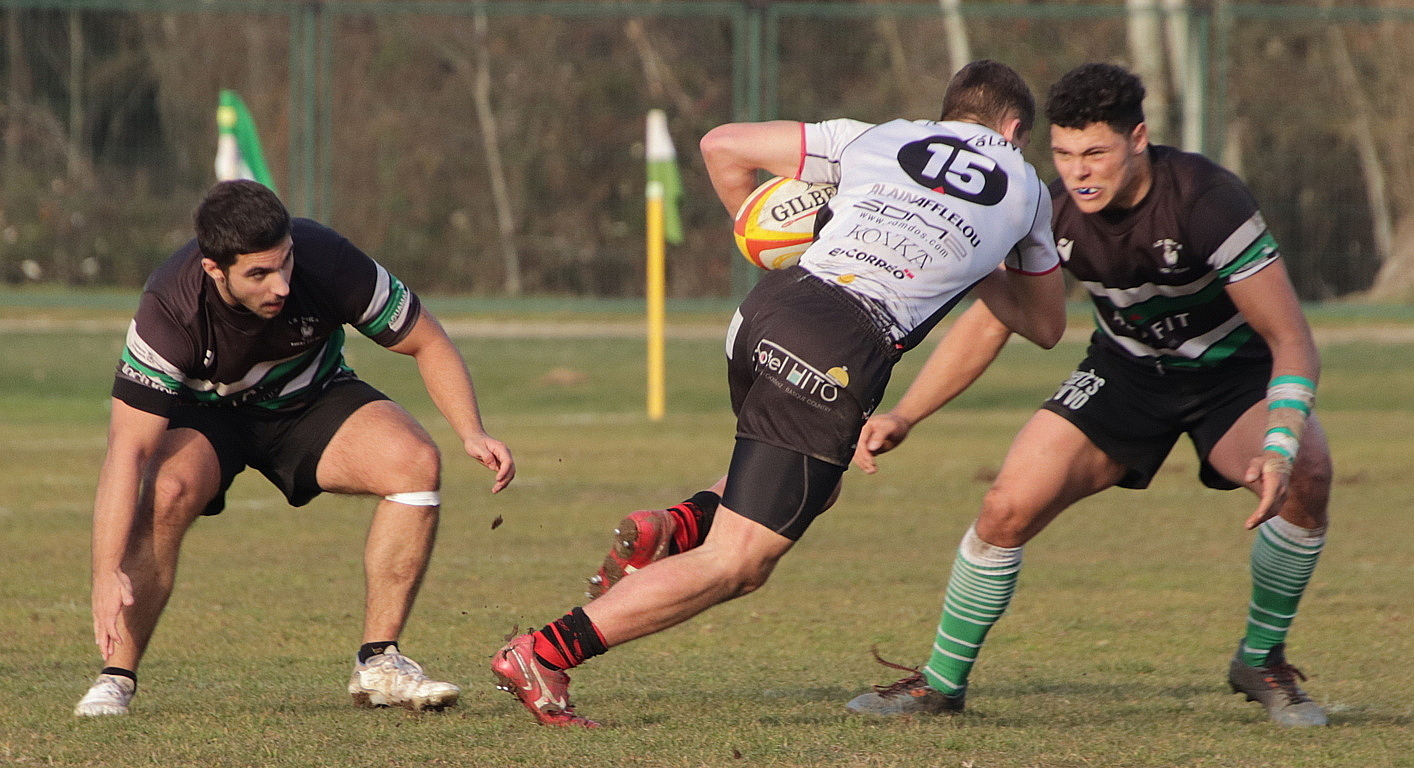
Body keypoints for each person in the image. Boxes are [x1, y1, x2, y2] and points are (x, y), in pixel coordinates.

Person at [490, 59, 1068, 728]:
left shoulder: (875, 136)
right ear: (1014, 129)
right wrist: (978, 261)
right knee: (740, 562)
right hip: (841, 345)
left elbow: (722, 146)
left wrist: (756, 230)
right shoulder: (1028, 191)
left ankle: (676, 525)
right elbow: (1046, 326)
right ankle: (545, 653)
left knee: (813, 488)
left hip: (770, 307)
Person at [842, 62, 1332, 727]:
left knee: (1306, 473)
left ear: (1138, 138)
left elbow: (1291, 338)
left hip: (1231, 377)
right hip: (1124, 373)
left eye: (1096, 153)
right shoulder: (1051, 209)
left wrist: (1279, 441)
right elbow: (991, 321)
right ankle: (942, 684)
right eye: (1065, 154)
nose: (1079, 172)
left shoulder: (1207, 201)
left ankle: (1260, 657)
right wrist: (906, 413)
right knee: (1005, 507)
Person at [74, 180, 515, 716]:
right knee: (166, 489)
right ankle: (116, 678)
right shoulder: (170, 307)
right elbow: (128, 452)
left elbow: (427, 340)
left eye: (284, 262)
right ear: (215, 270)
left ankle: (378, 664)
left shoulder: (327, 258)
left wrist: (471, 430)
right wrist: (105, 571)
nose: (280, 284)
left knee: (414, 463)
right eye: (259, 274)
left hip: (309, 399)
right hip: (208, 417)